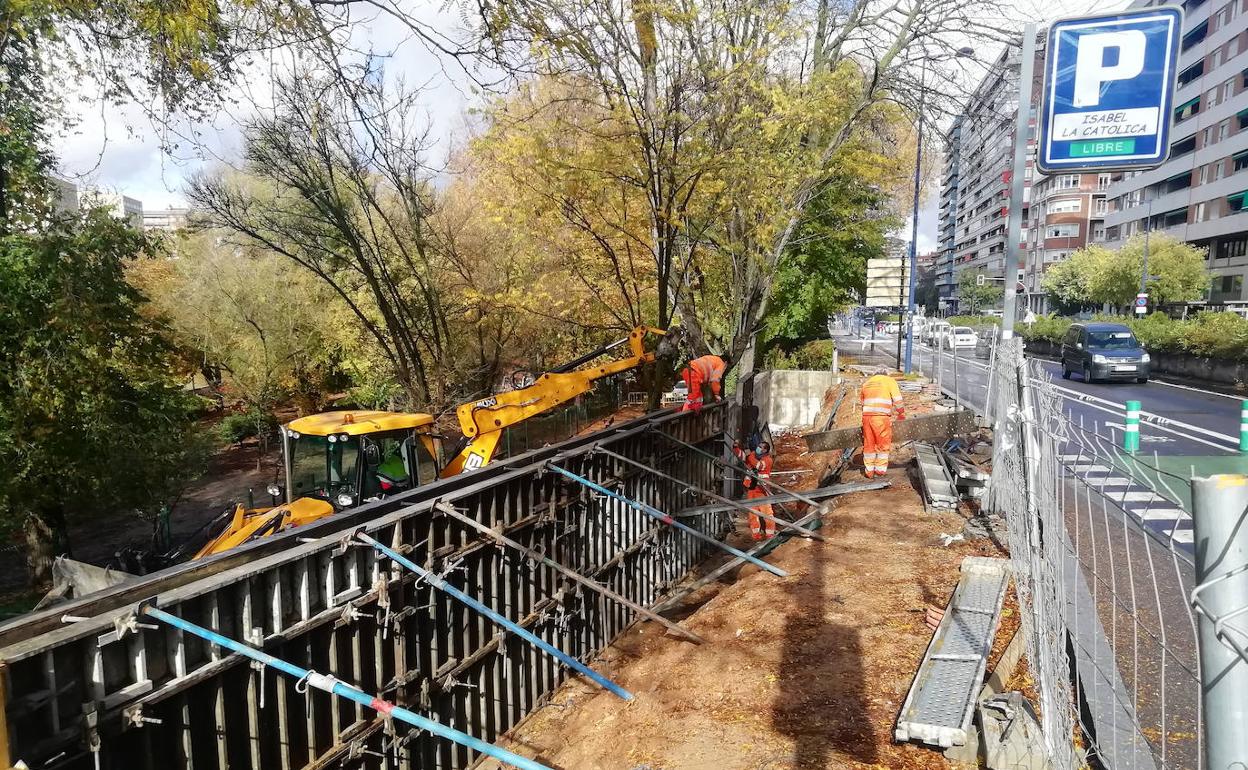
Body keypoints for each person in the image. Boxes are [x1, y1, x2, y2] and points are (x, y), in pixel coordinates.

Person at [860, 372, 906, 478]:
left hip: (867, 417)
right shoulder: (889, 381)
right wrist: (901, 413)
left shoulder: (867, 383)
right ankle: (880, 471)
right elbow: (898, 400)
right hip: (881, 418)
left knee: (869, 444)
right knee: (883, 444)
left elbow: (862, 402)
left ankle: (869, 471)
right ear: (886, 374)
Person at [742, 441, 775, 540]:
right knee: (752, 514)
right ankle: (756, 535)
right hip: (752, 489)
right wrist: (736, 447)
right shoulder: (753, 457)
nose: (758, 448)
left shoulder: (767, 460)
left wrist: (750, 455)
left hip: (762, 490)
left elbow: (758, 466)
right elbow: (741, 456)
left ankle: (770, 534)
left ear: (765, 450)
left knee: (767, 513)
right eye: (758, 446)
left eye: (761, 447)